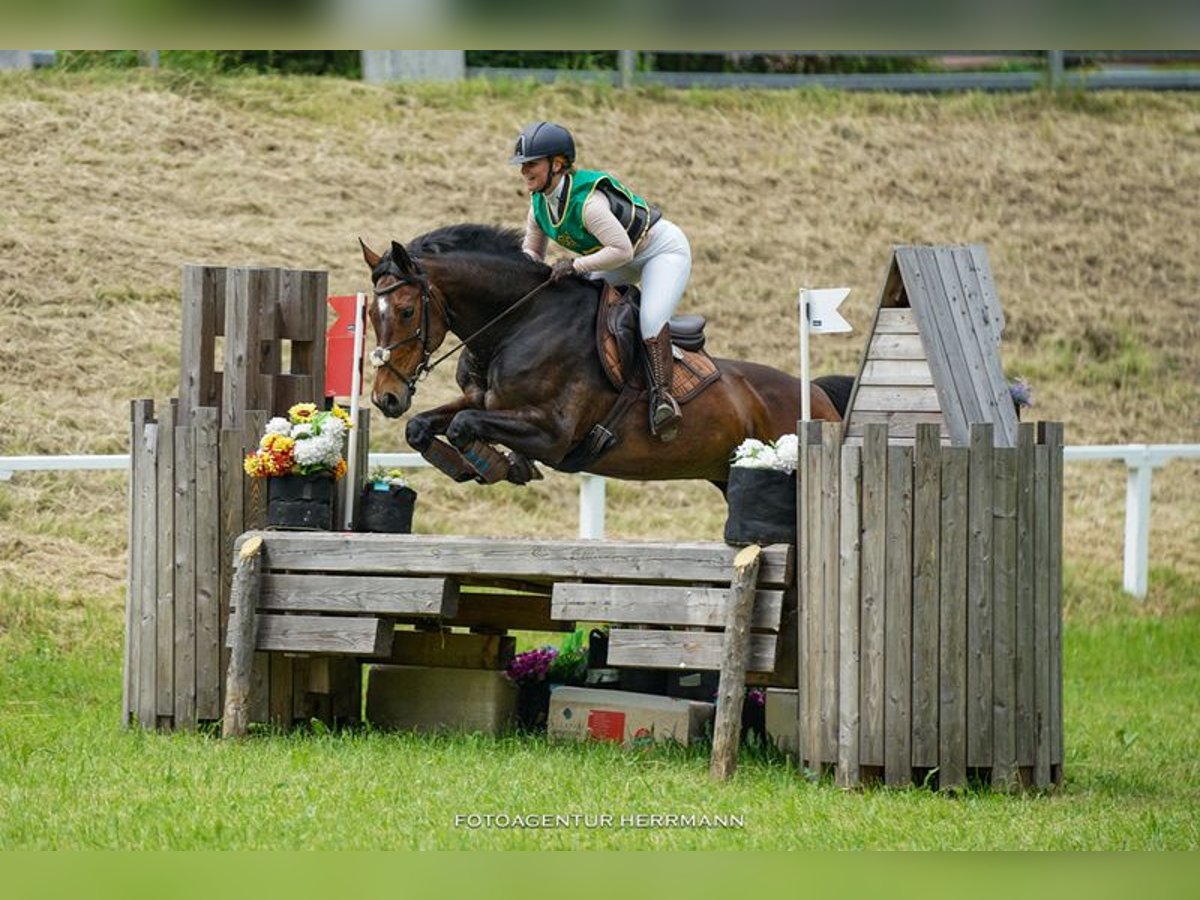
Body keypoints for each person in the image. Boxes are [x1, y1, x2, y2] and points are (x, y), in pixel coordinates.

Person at [511, 121, 692, 442]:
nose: (525, 171)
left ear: (558, 164)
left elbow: (621, 249)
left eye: (532, 164)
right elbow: (532, 254)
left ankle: (663, 399)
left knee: (650, 321)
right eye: (523, 165)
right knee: (580, 308)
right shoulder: (538, 205)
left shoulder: (588, 203)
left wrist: (576, 265)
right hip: (616, 256)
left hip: (660, 251)